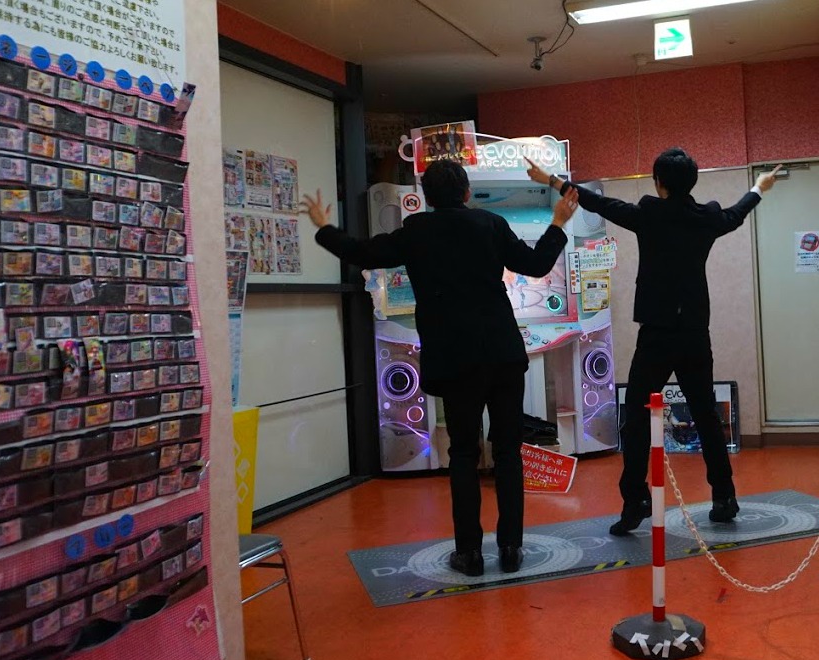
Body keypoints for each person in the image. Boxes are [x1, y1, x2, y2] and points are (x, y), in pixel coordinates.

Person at [301, 159, 579, 574]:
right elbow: (537, 265)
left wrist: (324, 226)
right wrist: (557, 222)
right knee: (507, 452)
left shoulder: (416, 232)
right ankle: (511, 549)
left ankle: (468, 553)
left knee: (464, 454)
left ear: (427, 199)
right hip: (502, 355)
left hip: (454, 360)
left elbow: (362, 253)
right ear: (467, 193)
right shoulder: (490, 224)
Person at [526, 151, 781, 535]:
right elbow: (736, 214)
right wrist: (758, 188)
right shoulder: (705, 217)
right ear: (691, 182)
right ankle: (724, 497)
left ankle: (636, 501)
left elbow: (599, 202)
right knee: (706, 416)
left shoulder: (649, 213)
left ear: (658, 181)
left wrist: (552, 180)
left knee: (638, 414)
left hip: (657, 333)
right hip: (694, 330)